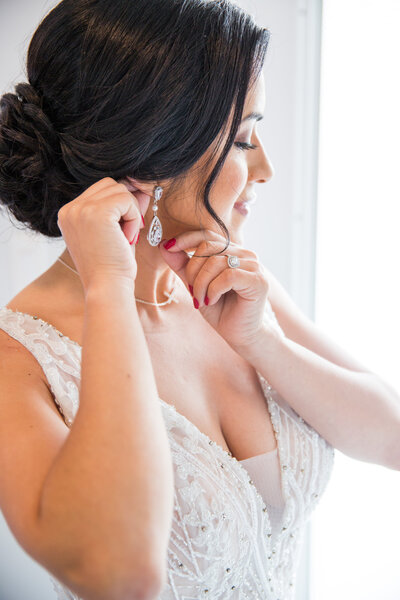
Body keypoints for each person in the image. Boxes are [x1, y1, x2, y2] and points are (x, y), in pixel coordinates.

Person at [1, 1, 399, 599]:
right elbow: (120, 572)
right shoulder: (18, 360)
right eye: (242, 141)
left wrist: (263, 342)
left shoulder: (235, 287)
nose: (265, 169)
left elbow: (394, 436)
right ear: (151, 154)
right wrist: (107, 288)